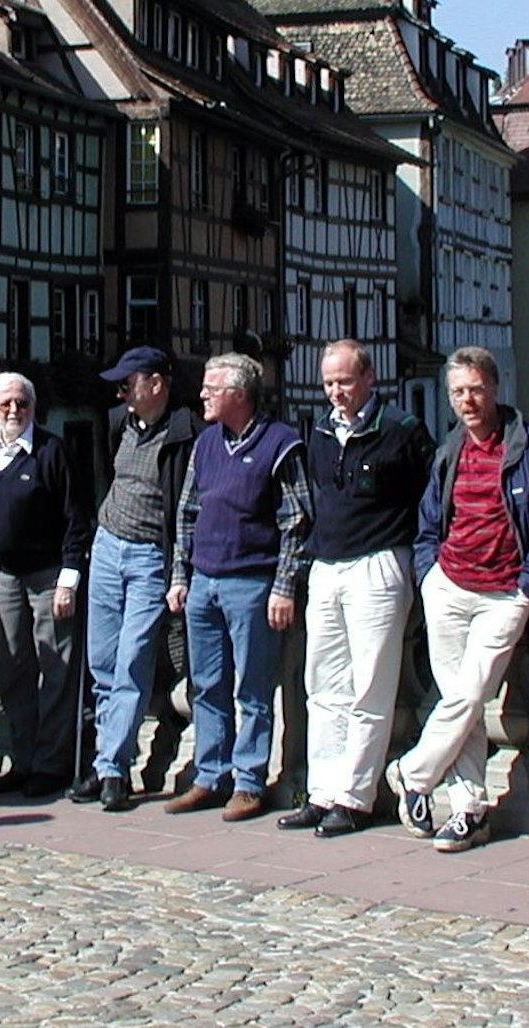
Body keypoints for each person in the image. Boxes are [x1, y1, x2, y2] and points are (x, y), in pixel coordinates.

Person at [384, 346, 529, 853]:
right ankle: (468, 810)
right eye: (458, 392)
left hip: (504, 593)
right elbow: (429, 519)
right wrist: (429, 575)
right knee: (457, 702)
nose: (468, 400)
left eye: (476, 389)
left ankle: (412, 773)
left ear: (495, 389)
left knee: (470, 696)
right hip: (449, 586)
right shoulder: (450, 449)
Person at [278, 340, 433, 839]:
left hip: (379, 563)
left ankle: (355, 796)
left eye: (344, 382)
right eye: (328, 383)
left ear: (368, 378)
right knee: (321, 685)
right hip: (328, 565)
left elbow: (427, 500)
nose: (336, 392)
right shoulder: (321, 431)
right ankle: (321, 791)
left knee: (370, 686)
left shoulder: (402, 432)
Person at [163, 353, 310, 823]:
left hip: (252, 581)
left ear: (239, 394)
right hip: (204, 580)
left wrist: (284, 587)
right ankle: (210, 775)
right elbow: (188, 513)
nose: (202, 394)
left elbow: (296, 522)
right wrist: (181, 576)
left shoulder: (280, 444)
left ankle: (248, 782)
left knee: (253, 688)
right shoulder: (206, 444)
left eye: (211, 387)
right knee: (205, 684)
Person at [71, 346, 201, 812]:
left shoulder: (186, 433)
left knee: (132, 662)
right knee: (102, 661)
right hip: (107, 548)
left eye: (130, 382)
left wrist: (178, 569)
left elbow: (189, 510)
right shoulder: (117, 423)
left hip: (149, 557)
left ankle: (111, 769)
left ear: (157, 385)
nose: (122, 390)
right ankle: (111, 763)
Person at [0, 371, 93, 798]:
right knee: (14, 671)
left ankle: (51, 763)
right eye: (6, 404)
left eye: (22, 403)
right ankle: (22, 759)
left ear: (34, 408)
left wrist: (68, 580)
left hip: (48, 576)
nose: (14, 411)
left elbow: (77, 520)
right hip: (5, 576)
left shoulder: (52, 453)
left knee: (57, 670)